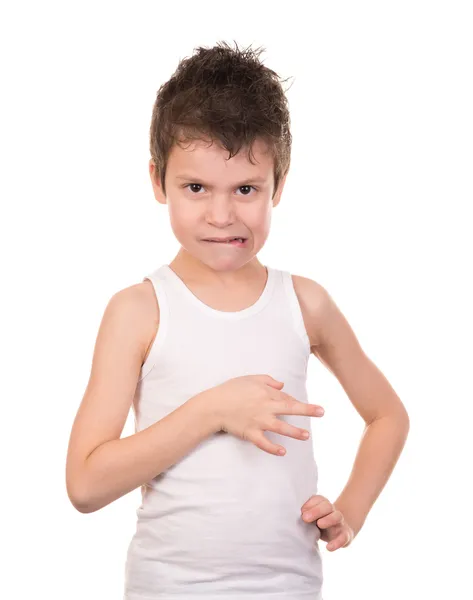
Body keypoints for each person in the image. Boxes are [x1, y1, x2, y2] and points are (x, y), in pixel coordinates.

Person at [65, 40, 410, 600]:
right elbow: (84, 483)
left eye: (246, 189)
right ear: (158, 181)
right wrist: (213, 410)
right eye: (196, 187)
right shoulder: (139, 310)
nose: (222, 215)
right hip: (169, 588)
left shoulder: (306, 303)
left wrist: (351, 510)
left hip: (289, 588)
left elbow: (387, 416)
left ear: (280, 184)